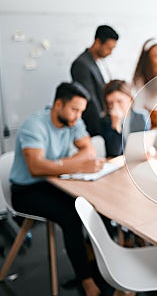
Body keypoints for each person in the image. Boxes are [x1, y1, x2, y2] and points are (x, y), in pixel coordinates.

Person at [10, 82, 105, 296]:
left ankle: (93, 258)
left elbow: (89, 151)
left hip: (53, 181)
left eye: (81, 111)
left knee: (89, 203)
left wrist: (58, 165)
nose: (78, 116)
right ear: (58, 104)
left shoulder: (74, 121)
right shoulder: (34, 125)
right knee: (70, 215)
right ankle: (86, 279)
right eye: (74, 109)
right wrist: (73, 164)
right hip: (25, 190)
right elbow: (36, 167)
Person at [71, 25, 119, 136]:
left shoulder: (101, 61)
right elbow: (90, 99)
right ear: (97, 42)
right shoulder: (81, 64)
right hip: (95, 125)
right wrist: (103, 127)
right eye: (108, 48)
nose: (110, 53)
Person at [100, 79, 151, 157]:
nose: (115, 107)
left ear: (130, 99)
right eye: (110, 103)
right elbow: (114, 152)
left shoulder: (141, 116)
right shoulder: (105, 121)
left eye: (119, 101)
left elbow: (145, 145)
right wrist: (116, 126)